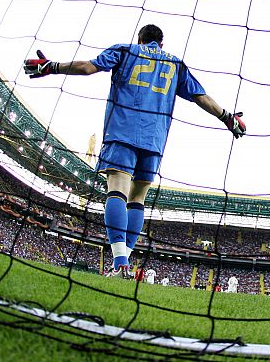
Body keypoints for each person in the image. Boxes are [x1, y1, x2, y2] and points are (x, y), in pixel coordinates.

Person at [23, 24, 246, 278]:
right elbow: (200, 97)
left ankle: (120, 264)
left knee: (117, 191)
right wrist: (227, 117)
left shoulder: (126, 50)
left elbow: (87, 67)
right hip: (154, 140)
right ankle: (123, 264)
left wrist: (51, 66)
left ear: (139, 39)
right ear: (161, 44)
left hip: (123, 131)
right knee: (137, 199)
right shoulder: (175, 64)